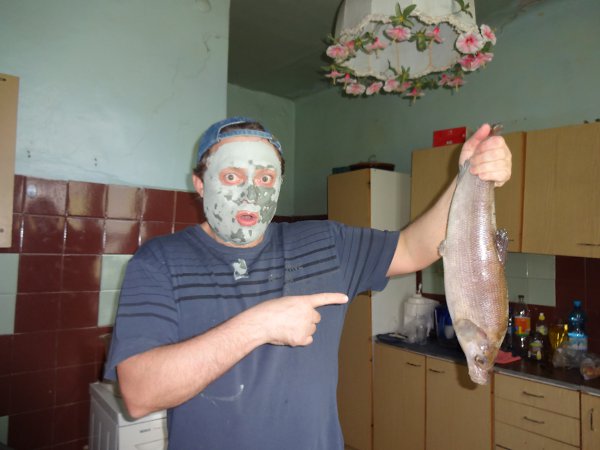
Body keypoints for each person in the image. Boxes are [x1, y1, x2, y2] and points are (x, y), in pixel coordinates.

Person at [104, 116, 512, 449]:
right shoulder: (159, 261)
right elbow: (139, 394)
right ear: (200, 183)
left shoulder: (325, 243)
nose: (250, 193)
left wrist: (469, 174)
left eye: (266, 179)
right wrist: (258, 326)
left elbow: (412, 247)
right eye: (231, 176)